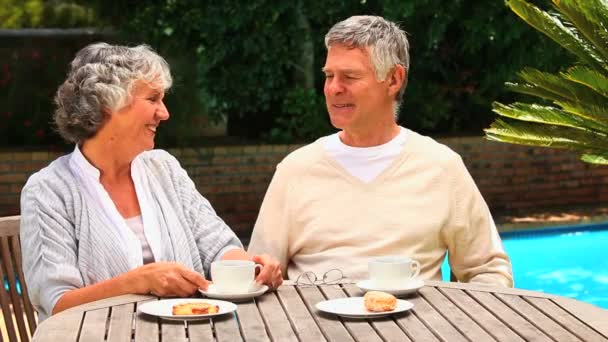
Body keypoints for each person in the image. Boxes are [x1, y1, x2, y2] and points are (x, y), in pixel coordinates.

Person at [20, 43, 282, 321]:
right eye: (153, 99)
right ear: (110, 103)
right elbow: (58, 303)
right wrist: (138, 281)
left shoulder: (163, 168)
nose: (165, 113)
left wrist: (250, 268)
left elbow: (216, 244)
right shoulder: (48, 190)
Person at [247, 15, 513, 287]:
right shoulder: (295, 170)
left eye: (349, 76)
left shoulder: (441, 167)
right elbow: (259, 272)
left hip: (419, 327)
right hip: (312, 326)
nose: (333, 89)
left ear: (394, 79)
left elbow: (488, 270)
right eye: (329, 75)